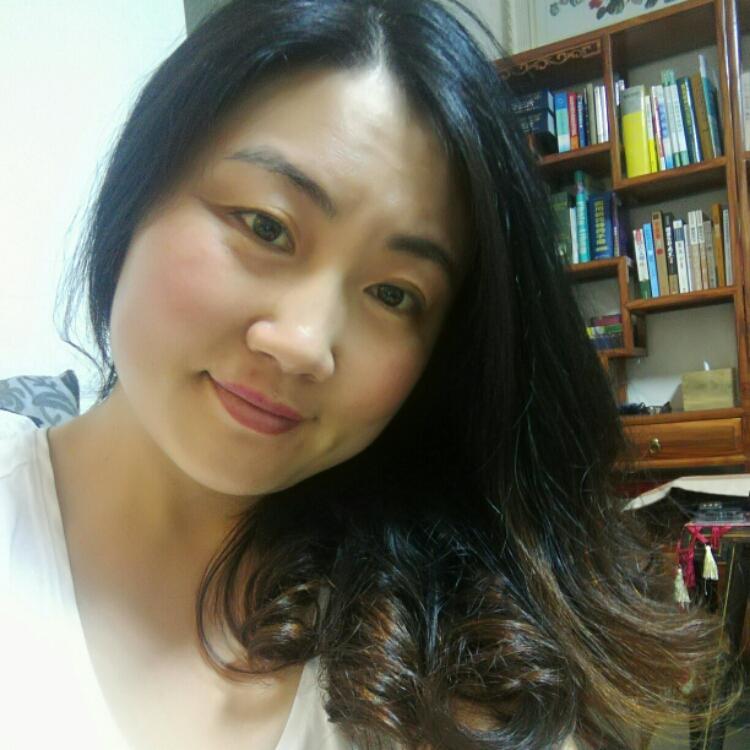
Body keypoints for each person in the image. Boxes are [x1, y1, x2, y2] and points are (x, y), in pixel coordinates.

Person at [0, 0, 742, 748]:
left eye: (393, 294)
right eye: (265, 225)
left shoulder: (456, 651)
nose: (303, 343)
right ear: (138, 185)